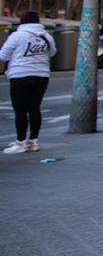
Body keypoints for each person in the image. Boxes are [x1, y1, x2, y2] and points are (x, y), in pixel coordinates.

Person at [0, 11, 56, 154]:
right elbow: (52, 52)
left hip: (20, 75)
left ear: (22, 21)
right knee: (34, 108)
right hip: (42, 75)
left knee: (20, 109)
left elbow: (3, 55)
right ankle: (33, 141)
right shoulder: (46, 36)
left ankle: (20, 142)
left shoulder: (17, 36)